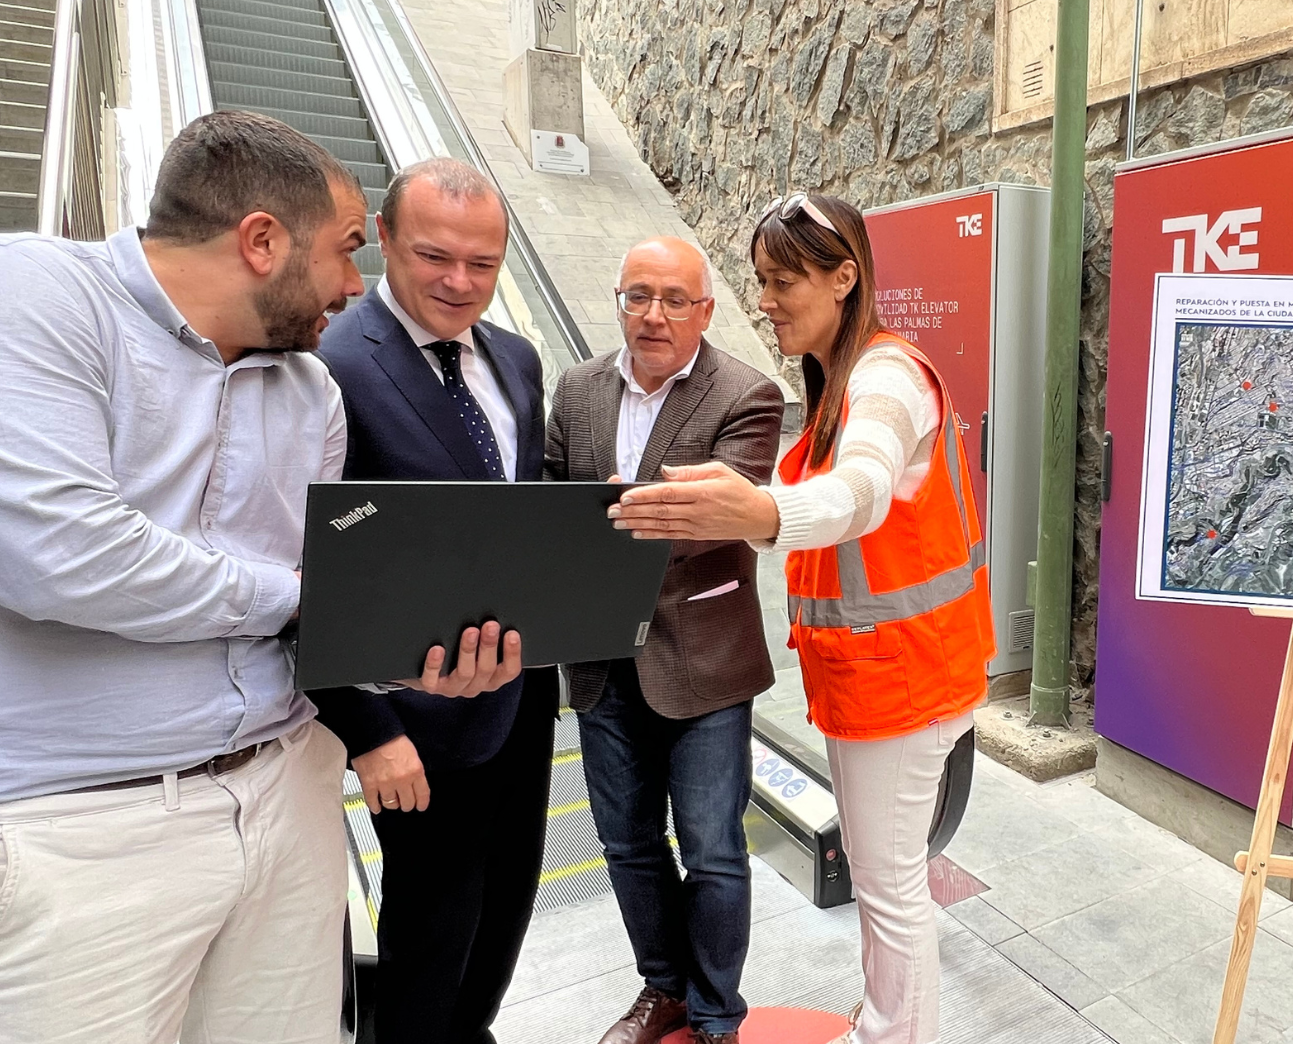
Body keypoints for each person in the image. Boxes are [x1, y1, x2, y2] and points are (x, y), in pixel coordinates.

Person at [0, 110, 514, 1043]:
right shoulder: (15, 292)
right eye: (347, 250)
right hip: (66, 830)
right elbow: (63, 556)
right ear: (261, 241)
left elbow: (318, 591)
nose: (354, 285)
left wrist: (405, 657)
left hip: (284, 794)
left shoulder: (311, 390)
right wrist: (313, 602)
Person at [608, 194, 993, 1044]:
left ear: (845, 278)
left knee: (890, 887)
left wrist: (759, 512)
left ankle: (892, 1034)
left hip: (905, 680)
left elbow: (859, 492)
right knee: (885, 878)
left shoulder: (886, 378)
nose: (766, 301)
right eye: (762, 281)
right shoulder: (841, 385)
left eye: (784, 282)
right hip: (879, 678)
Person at [309, 158, 550, 1044]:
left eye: (482, 264)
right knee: (429, 931)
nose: (459, 282)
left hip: (521, 695)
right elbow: (307, 568)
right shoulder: (330, 364)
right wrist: (368, 730)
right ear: (383, 238)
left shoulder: (516, 359)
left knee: (505, 911)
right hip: (414, 719)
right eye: (434, 256)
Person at [544, 236, 784, 1044]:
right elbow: (547, 502)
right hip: (600, 658)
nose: (653, 314)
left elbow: (721, 515)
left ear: (705, 310)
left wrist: (612, 515)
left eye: (675, 299)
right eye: (637, 296)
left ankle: (716, 1015)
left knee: (713, 850)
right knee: (626, 843)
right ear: (617, 301)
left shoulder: (747, 395)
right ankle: (665, 989)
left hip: (704, 657)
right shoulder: (577, 390)